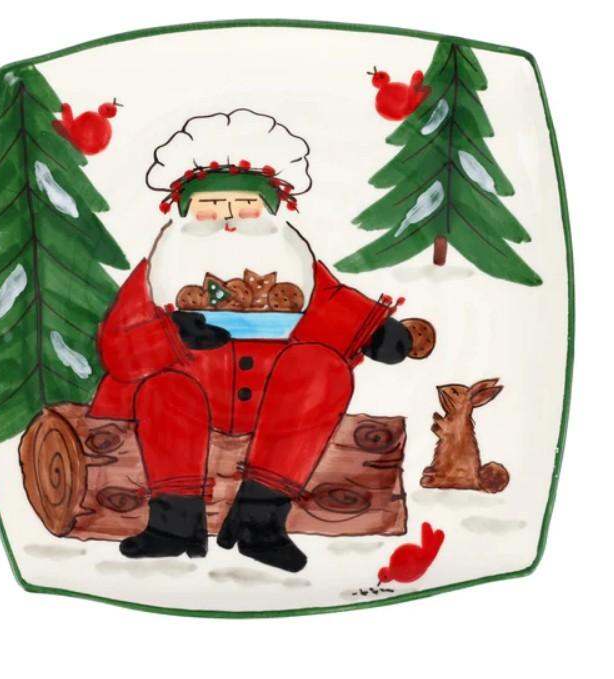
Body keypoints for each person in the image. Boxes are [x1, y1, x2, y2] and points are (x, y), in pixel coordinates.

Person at [89, 109, 412, 572]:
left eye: (244, 207)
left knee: (322, 369)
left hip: (269, 401)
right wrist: (171, 334)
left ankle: (260, 520)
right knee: (163, 390)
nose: (228, 220)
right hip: (185, 393)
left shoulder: (290, 265)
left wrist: (374, 331)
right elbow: (119, 347)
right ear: (184, 214)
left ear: (271, 212)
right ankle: (173, 523)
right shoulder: (160, 272)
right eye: (210, 208)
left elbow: (331, 303)